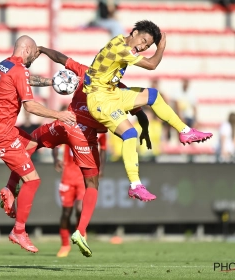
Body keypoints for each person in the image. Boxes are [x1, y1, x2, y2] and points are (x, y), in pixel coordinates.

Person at [1, 46, 151, 257]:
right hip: (83, 134)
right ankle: (80, 232)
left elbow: (61, 58)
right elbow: (140, 112)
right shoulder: (118, 88)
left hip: (66, 123)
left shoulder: (85, 71)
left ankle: (10, 187)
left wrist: (42, 49)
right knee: (92, 183)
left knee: (32, 140)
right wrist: (144, 128)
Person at [83, 20, 212, 210]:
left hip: (111, 93)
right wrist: (160, 48)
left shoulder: (121, 41)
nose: (143, 47)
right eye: (143, 40)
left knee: (153, 95)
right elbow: (152, 65)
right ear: (134, 32)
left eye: (147, 45)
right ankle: (135, 185)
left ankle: (185, 131)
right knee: (130, 134)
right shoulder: (120, 48)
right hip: (100, 100)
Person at [0, 35, 76, 254]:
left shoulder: (5, 64)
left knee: (33, 141)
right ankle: (19, 231)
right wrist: (59, 115)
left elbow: (24, 79)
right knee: (32, 181)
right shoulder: (18, 69)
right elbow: (31, 107)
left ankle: (9, 188)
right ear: (27, 50)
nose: (35, 57)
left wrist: (51, 82)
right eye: (35, 53)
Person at [53, 133, 107, 257]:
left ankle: (81, 231)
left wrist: (102, 168)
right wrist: (56, 159)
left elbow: (103, 149)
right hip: (67, 176)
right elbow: (56, 145)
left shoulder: (99, 130)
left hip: (84, 176)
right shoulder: (69, 129)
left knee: (79, 208)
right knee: (66, 213)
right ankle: (65, 245)